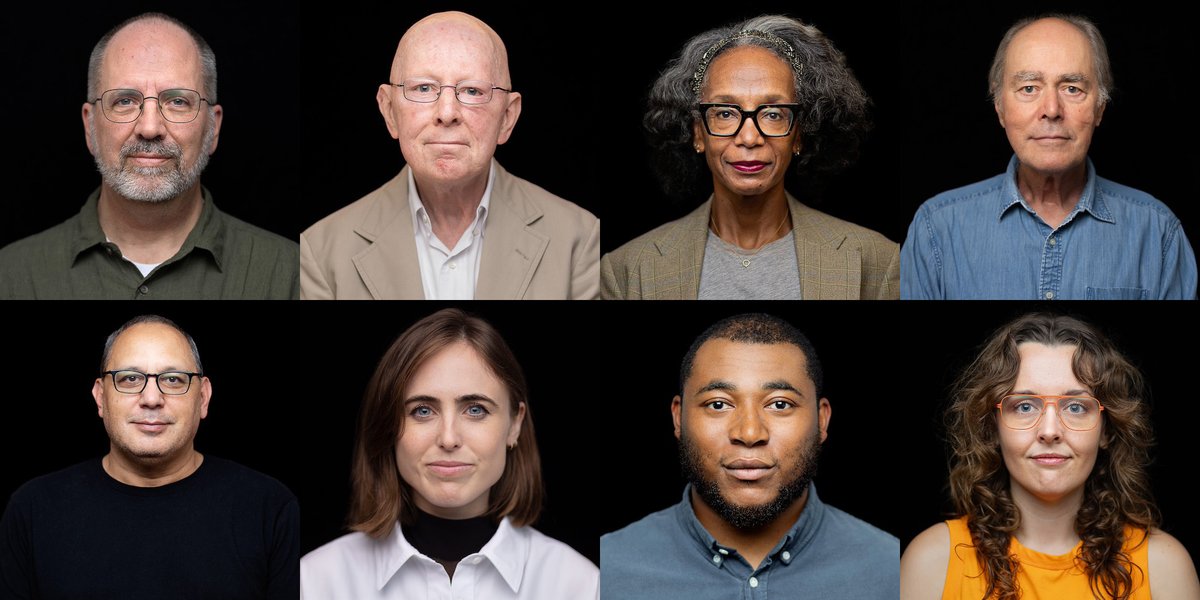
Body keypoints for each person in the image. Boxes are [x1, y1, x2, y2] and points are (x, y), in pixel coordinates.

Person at [300, 12, 600, 300]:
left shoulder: (580, 239)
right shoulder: (320, 252)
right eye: (424, 87)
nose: (446, 113)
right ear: (389, 111)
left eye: (471, 91)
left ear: (507, 117)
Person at [300, 308, 598, 598]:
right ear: (388, 425)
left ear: (515, 425)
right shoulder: (314, 582)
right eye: (423, 410)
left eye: (475, 409)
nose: (449, 438)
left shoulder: (580, 585)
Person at [900, 313, 1200, 599]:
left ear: (1107, 430)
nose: (1050, 430)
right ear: (992, 428)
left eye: (1076, 407)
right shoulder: (932, 561)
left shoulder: (1163, 566)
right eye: (1025, 406)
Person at [0, 13, 299, 300]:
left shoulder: (290, 274)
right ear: (90, 127)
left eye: (178, 101)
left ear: (214, 127)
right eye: (125, 101)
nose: (150, 127)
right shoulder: (11, 275)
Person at [0, 315, 299, 598]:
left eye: (173, 380)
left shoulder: (269, 509)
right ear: (101, 397)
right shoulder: (32, 509)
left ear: (203, 398)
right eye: (129, 379)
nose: (152, 399)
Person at [600, 15, 899, 300]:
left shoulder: (877, 261)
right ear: (698, 134)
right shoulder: (626, 269)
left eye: (772, 114)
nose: (749, 138)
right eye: (726, 113)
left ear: (799, 135)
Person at [600, 313, 898, 598]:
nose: (750, 433)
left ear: (822, 421)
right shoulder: (607, 569)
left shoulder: (891, 567)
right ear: (678, 419)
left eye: (780, 404)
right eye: (718, 404)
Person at [901, 15, 1197, 300]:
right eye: (1029, 88)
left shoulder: (1157, 233)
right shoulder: (936, 229)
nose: (1052, 109)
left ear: (1100, 108)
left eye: (1072, 88)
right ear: (1000, 107)